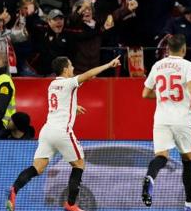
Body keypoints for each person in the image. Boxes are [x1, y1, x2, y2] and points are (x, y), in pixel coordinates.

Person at [6, 55, 121, 211]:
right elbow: (88, 75)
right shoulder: (69, 83)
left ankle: (14, 189)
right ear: (66, 69)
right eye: (71, 65)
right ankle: (71, 204)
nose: (73, 68)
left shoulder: (52, 85)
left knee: (38, 168)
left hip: (46, 131)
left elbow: (60, 102)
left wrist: (74, 107)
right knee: (79, 164)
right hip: (62, 131)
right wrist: (108, 64)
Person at [141, 34, 191, 211]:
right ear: (184, 48)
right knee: (187, 160)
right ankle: (189, 205)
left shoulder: (157, 65)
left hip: (162, 119)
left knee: (161, 156)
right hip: (182, 120)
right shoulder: (189, 66)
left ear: (168, 49)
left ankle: (150, 177)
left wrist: (164, 94)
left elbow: (145, 94)